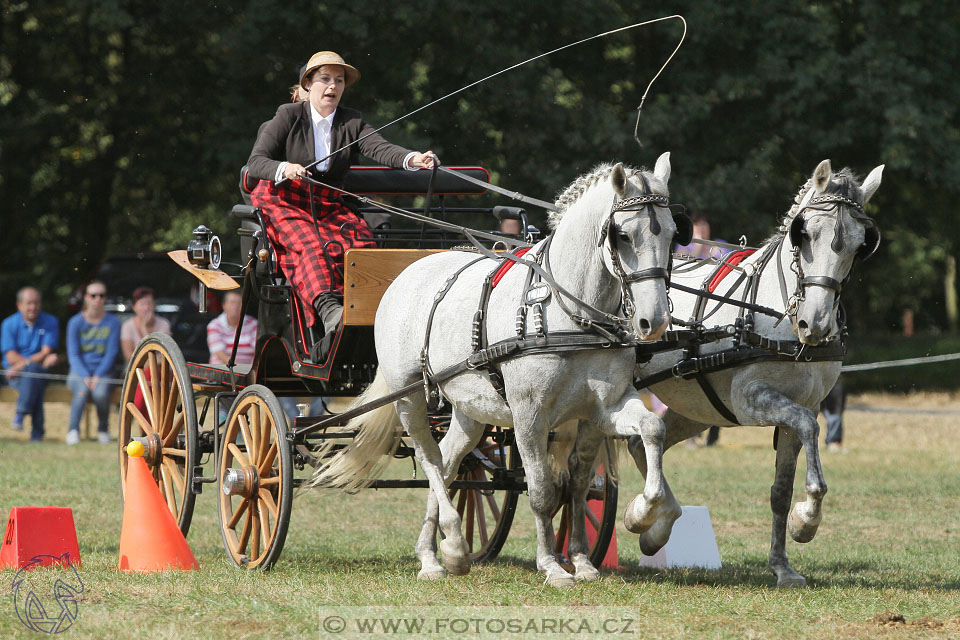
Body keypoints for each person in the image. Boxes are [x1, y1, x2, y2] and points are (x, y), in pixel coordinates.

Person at [246, 50, 438, 362]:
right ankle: (331, 313)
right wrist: (285, 168)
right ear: (308, 84)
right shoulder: (288, 116)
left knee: (361, 242)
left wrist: (412, 159)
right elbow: (256, 162)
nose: (332, 86)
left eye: (339, 80)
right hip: (285, 201)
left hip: (325, 203)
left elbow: (381, 148)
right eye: (325, 79)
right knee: (311, 245)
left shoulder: (352, 121)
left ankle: (370, 313)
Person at [65, 280, 122, 445]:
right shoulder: (75, 322)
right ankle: (73, 430)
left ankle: (103, 430)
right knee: (81, 391)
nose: (97, 299)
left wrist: (97, 375)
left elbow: (111, 353)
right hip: (78, 371)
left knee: (100, 393)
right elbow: (73, 354)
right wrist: (85, 376)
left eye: (101, 295)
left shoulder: (113, 322)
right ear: (86, 298)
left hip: (104, 371)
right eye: (93, 295)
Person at [1, 287, 59, 441]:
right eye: (29, 303)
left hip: (31, 370)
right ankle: (37, 433)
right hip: (15, 374)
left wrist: (23, 365)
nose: (33, 307)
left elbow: (46, 351)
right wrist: (27, 364)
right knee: (34, 380)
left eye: (36, 303)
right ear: (19, 305)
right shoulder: (8, 324)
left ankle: (20, 414)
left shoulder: (50, 321)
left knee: (33, 373)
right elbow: (11, 356)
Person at [121, 286, 172, 361]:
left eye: (149, 303)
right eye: (142, 304)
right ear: (134, 307)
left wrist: (144, 329)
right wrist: (143, 327)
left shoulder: (164, 324)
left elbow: (164, 353)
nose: (146, 308)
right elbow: (129, 357)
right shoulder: (127, 326)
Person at [207, 291, 257, 366]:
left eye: (239, 303)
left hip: (249, 372)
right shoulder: (214, 325)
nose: (236, 306)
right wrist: (242, 370)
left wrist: (253, 370)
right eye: (232, 302)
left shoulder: (253, 324)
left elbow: (258, 352)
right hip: (222, 371)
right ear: (224, 306)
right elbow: (221, 355)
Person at [821, 377, 847, 452]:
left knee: (835, 421)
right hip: (831, 404)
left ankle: (834, 443)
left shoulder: (837, 383)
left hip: (836, 405)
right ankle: (831, 442)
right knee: (833, 421)